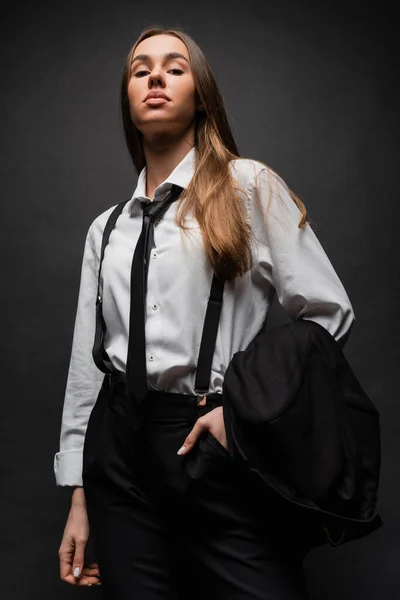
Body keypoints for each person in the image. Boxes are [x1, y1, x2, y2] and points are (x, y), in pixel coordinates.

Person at [54, 26, 355, 599]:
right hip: (116, 452)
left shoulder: (247, 186)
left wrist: (239, 413)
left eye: (174, 67)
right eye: (141, 70)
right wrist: (79, 494)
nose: (155, 78)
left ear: (201, 93)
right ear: (128, 97)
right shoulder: (107, 227)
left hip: (207, 438)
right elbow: (87, 364)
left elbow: (328, 313)